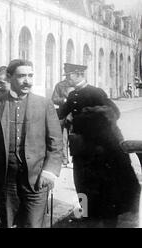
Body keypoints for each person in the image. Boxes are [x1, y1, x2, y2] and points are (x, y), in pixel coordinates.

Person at [0, 59, 63, 228]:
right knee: (6, 224)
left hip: (36, 178)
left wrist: (49, 172)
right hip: (5, 178)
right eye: (21, 76)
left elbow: (56, 142)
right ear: (9, 77)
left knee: (33, 224)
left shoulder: (44, 104)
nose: (28, 81)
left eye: (30, 76)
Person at [59, 63, 140, 227]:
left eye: (69, 76)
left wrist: (82, 117)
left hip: (101, 151)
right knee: (81, 183)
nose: (67, 79)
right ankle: (86, 214)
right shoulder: (73, 94)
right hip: (82, 150)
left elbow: (114, 113)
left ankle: (108, 217)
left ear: (79, 74)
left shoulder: (96, 92)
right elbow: (59, 114)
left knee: (105, 187)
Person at [52, 64, 75, 166]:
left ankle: (74, 159)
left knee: (75, 137)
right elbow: (54, 98)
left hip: (76, 115)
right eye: (69, 75)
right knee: (63, 138)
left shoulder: (77, 86)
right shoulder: (60, 85)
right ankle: (64, 160)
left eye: (72, 75)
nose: (70, 77)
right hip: (64, 115)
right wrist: (64, 100)